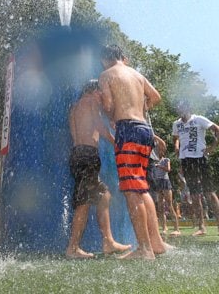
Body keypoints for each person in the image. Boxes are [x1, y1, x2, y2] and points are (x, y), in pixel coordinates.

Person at [98, 44, 170, 260]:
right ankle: (156, 243)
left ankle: (145, 249)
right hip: (144, 131)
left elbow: (109, 105)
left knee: (131, 190)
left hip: (127, 131)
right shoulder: (137, 74)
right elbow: (155, 97)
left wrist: (109, 111)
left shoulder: (106, 75)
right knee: (141, 187)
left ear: (104, 60)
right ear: (123, 58)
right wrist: (139, 107)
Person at [65, 79, 132, 259]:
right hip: (87, 156)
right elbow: (99, 126)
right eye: (101, 93)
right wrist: (117, 144)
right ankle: (72, 248)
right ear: (94, 91)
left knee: (104, 195)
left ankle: (108, 241)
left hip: (78, 154)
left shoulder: (75, 107)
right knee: (84, 202)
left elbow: (77, 133)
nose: (103, 96)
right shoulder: (91, 101)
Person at [172, 100, 219, 236]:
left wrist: (212, 147)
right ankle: (201, 227)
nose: (180, 110)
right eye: (178, 108)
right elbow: (175, 137)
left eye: (182, 107)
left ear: (188, 107)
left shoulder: (198, 119)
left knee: (210, 192)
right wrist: (177, 146)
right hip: (186, 160)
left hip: (200, 159)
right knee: (195, 196)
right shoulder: (177, 124)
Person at [151, 146, 181, 237]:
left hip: (165, 182)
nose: (157, 152)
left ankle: (176, 228)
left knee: (169, 204)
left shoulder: (166, 160)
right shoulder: (154, 162)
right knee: (160, 207)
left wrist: (159, 166)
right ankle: (164, 228)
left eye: (159, 150)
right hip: (158, 182)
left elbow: (168, 169)